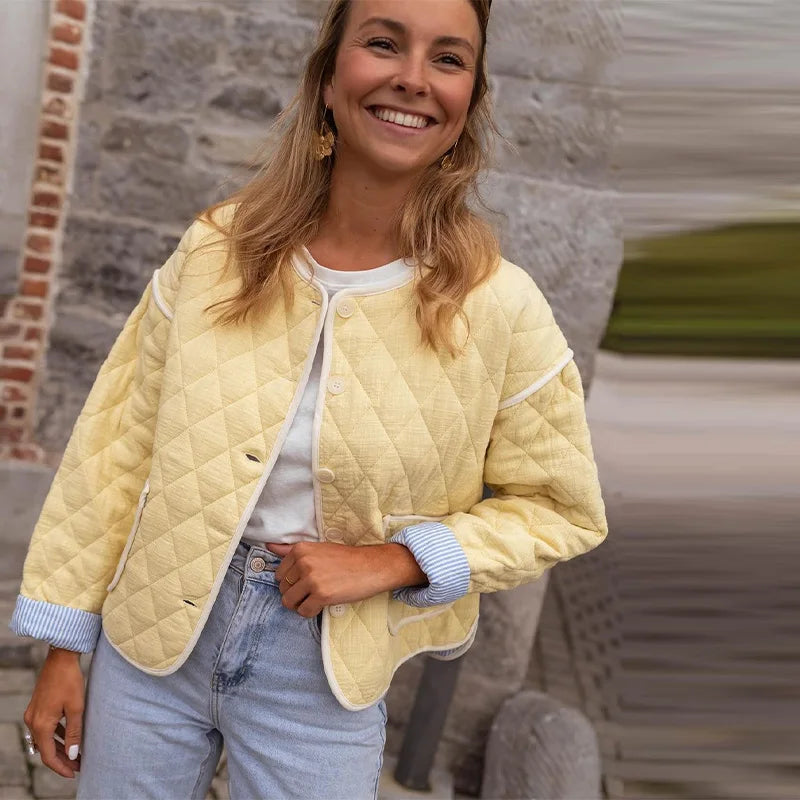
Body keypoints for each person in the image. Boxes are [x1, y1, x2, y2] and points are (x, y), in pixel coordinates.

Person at [11, 0, 608, 798]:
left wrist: (396, 560)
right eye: (384, 44)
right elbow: (114, 447)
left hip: (322, 671)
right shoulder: (216, 249)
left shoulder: (501, 307)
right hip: (152, 635)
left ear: (470, 100)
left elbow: (563, 508)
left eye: (448, 58)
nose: (411, 78)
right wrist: (62, 646)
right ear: (329, 76)